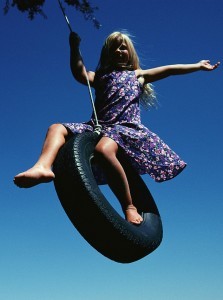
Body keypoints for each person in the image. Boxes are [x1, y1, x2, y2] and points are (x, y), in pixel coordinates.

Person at [14, 31, 220, 224]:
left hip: (124, 128)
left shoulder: (137, 76)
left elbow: (169, 70)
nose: (120, 51)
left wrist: (197, 65)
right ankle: (42, 167)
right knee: (56, 128)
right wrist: (74, 47)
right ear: (107, 53)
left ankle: (129, 206)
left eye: (123, 48)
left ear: (130, 53)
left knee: (103, 151)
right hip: (97, 126)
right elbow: (79, 73)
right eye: (115, 48)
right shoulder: (100, 77)